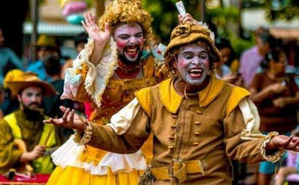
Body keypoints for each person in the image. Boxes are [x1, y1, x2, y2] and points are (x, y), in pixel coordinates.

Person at [45, 21, 299, 185]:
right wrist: (84, 128)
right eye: (188, 56)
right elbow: (123, 139)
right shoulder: (152, 96)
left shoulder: (229, 97)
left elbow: (239, 144)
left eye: (202, 56)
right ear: (174, 63)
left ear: (211, 62)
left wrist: (268, 142)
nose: (196, 62)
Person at [45, 0, 194, 185]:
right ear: (112, 40)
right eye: (125, 36)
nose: (133, 41)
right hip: (100, 148)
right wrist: (98, 47)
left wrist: (189, 37)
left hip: (148, 150)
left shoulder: (155, 64)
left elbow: (188, 83)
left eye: (138, 35)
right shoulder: (101, 65)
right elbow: (80, 93)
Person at [0, 72, 63, 175]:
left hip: (46, 179)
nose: (34, 99)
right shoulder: (7, 123)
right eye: (29, 95)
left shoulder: (51, 123)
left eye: (38, 95)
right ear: (19, 97)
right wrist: (27, 155)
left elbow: (63, 153)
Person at [249, 48, 299, 185]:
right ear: (272, 63)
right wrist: (269, 91)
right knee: (266, 163)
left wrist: (287, 101)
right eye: (282, 62)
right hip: (268, 130)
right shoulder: (259, 78)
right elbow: (251, 99)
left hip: (289, 128)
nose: (285, 65)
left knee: (286, 164)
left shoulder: (289, 78)